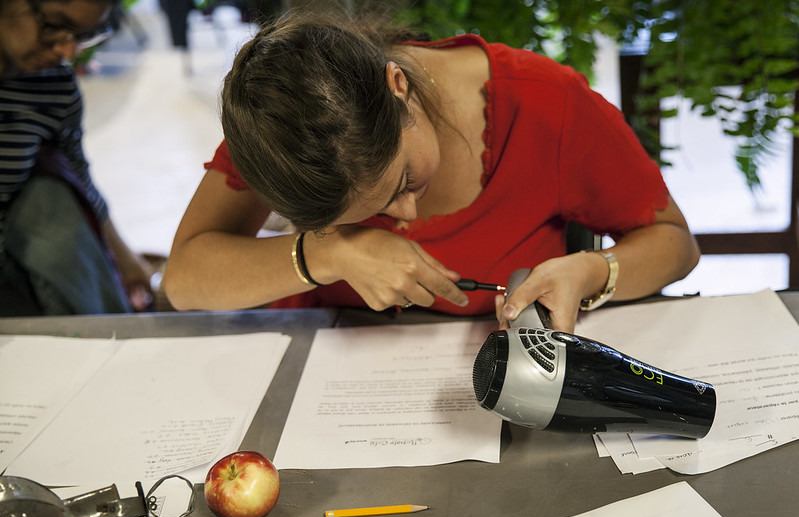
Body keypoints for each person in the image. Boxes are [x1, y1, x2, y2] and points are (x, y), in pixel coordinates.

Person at [164, 10, 701, 333]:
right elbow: (185, 279)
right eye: (361, 218)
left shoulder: (545, 107)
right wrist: (327, 252)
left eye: (402, 183)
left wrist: (592, 272)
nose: (406, 217)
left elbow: (675, 243)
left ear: (398, 87)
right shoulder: (290, 131)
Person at [0, 0, 154, 316]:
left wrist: (126, 261)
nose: (68, 52)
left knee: (48, 198)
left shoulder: (52, 85)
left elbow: (78, 175)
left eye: (83, 36)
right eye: (54, 25)